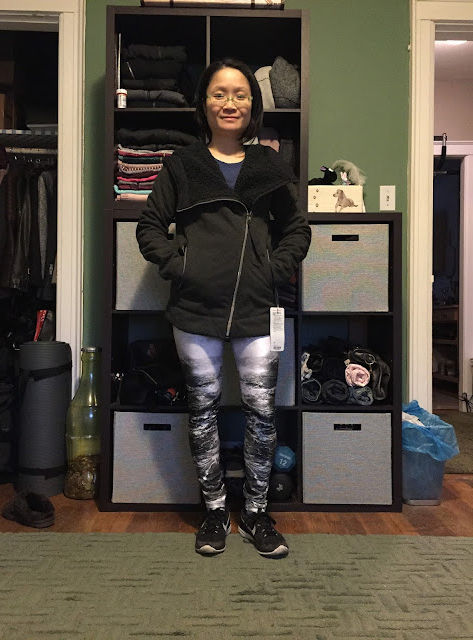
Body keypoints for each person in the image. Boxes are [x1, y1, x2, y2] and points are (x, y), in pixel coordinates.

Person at [136, 58, 311, 558]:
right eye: (219, 93)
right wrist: (182, 267)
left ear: (252, 105)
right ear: (204, 104)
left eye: (239, 94)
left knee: (262, 416)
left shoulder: (268, 167)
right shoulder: (183, 165)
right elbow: (150, 228)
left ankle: (255, 513)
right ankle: (214, 511)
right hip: (194, 313)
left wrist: (272, 270)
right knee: (202, 413)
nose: (229, 102)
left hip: (258, 311)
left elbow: (297, 230)